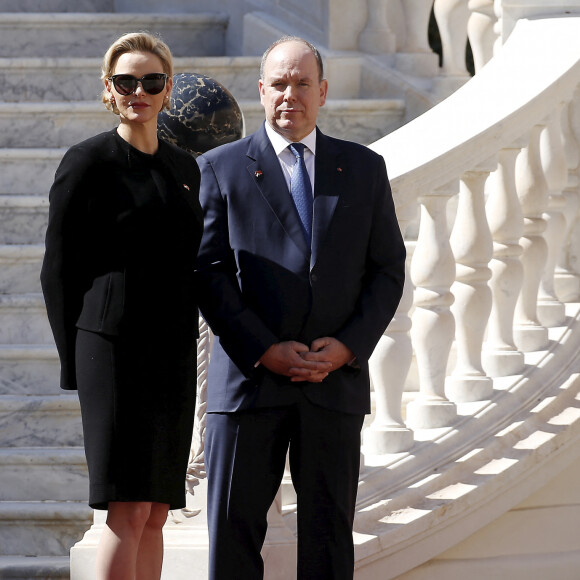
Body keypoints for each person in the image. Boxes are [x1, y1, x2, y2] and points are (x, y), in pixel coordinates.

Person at [195, 36, 406, 579]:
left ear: (324, 91)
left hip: (331, 384)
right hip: (247, 386)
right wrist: (264, 349)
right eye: (279, 84)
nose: (291, 95)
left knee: (330, 543)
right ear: (261, 91)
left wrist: (347, 348)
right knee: (233, 543)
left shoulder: (363, 169)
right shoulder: (220, 168)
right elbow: (208, 272)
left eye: (302, 83)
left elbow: (387, 270)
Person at [40, 32, 203, 580]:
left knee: (158, 512)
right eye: (127, 82)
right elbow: (57, 271)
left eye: (151, 81)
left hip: (172, 354)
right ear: (109, 89)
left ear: (168, 88)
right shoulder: (87, 162)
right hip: (112, 351)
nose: (140, 91)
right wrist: (75, 362)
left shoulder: (185, 167)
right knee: (126, 509)